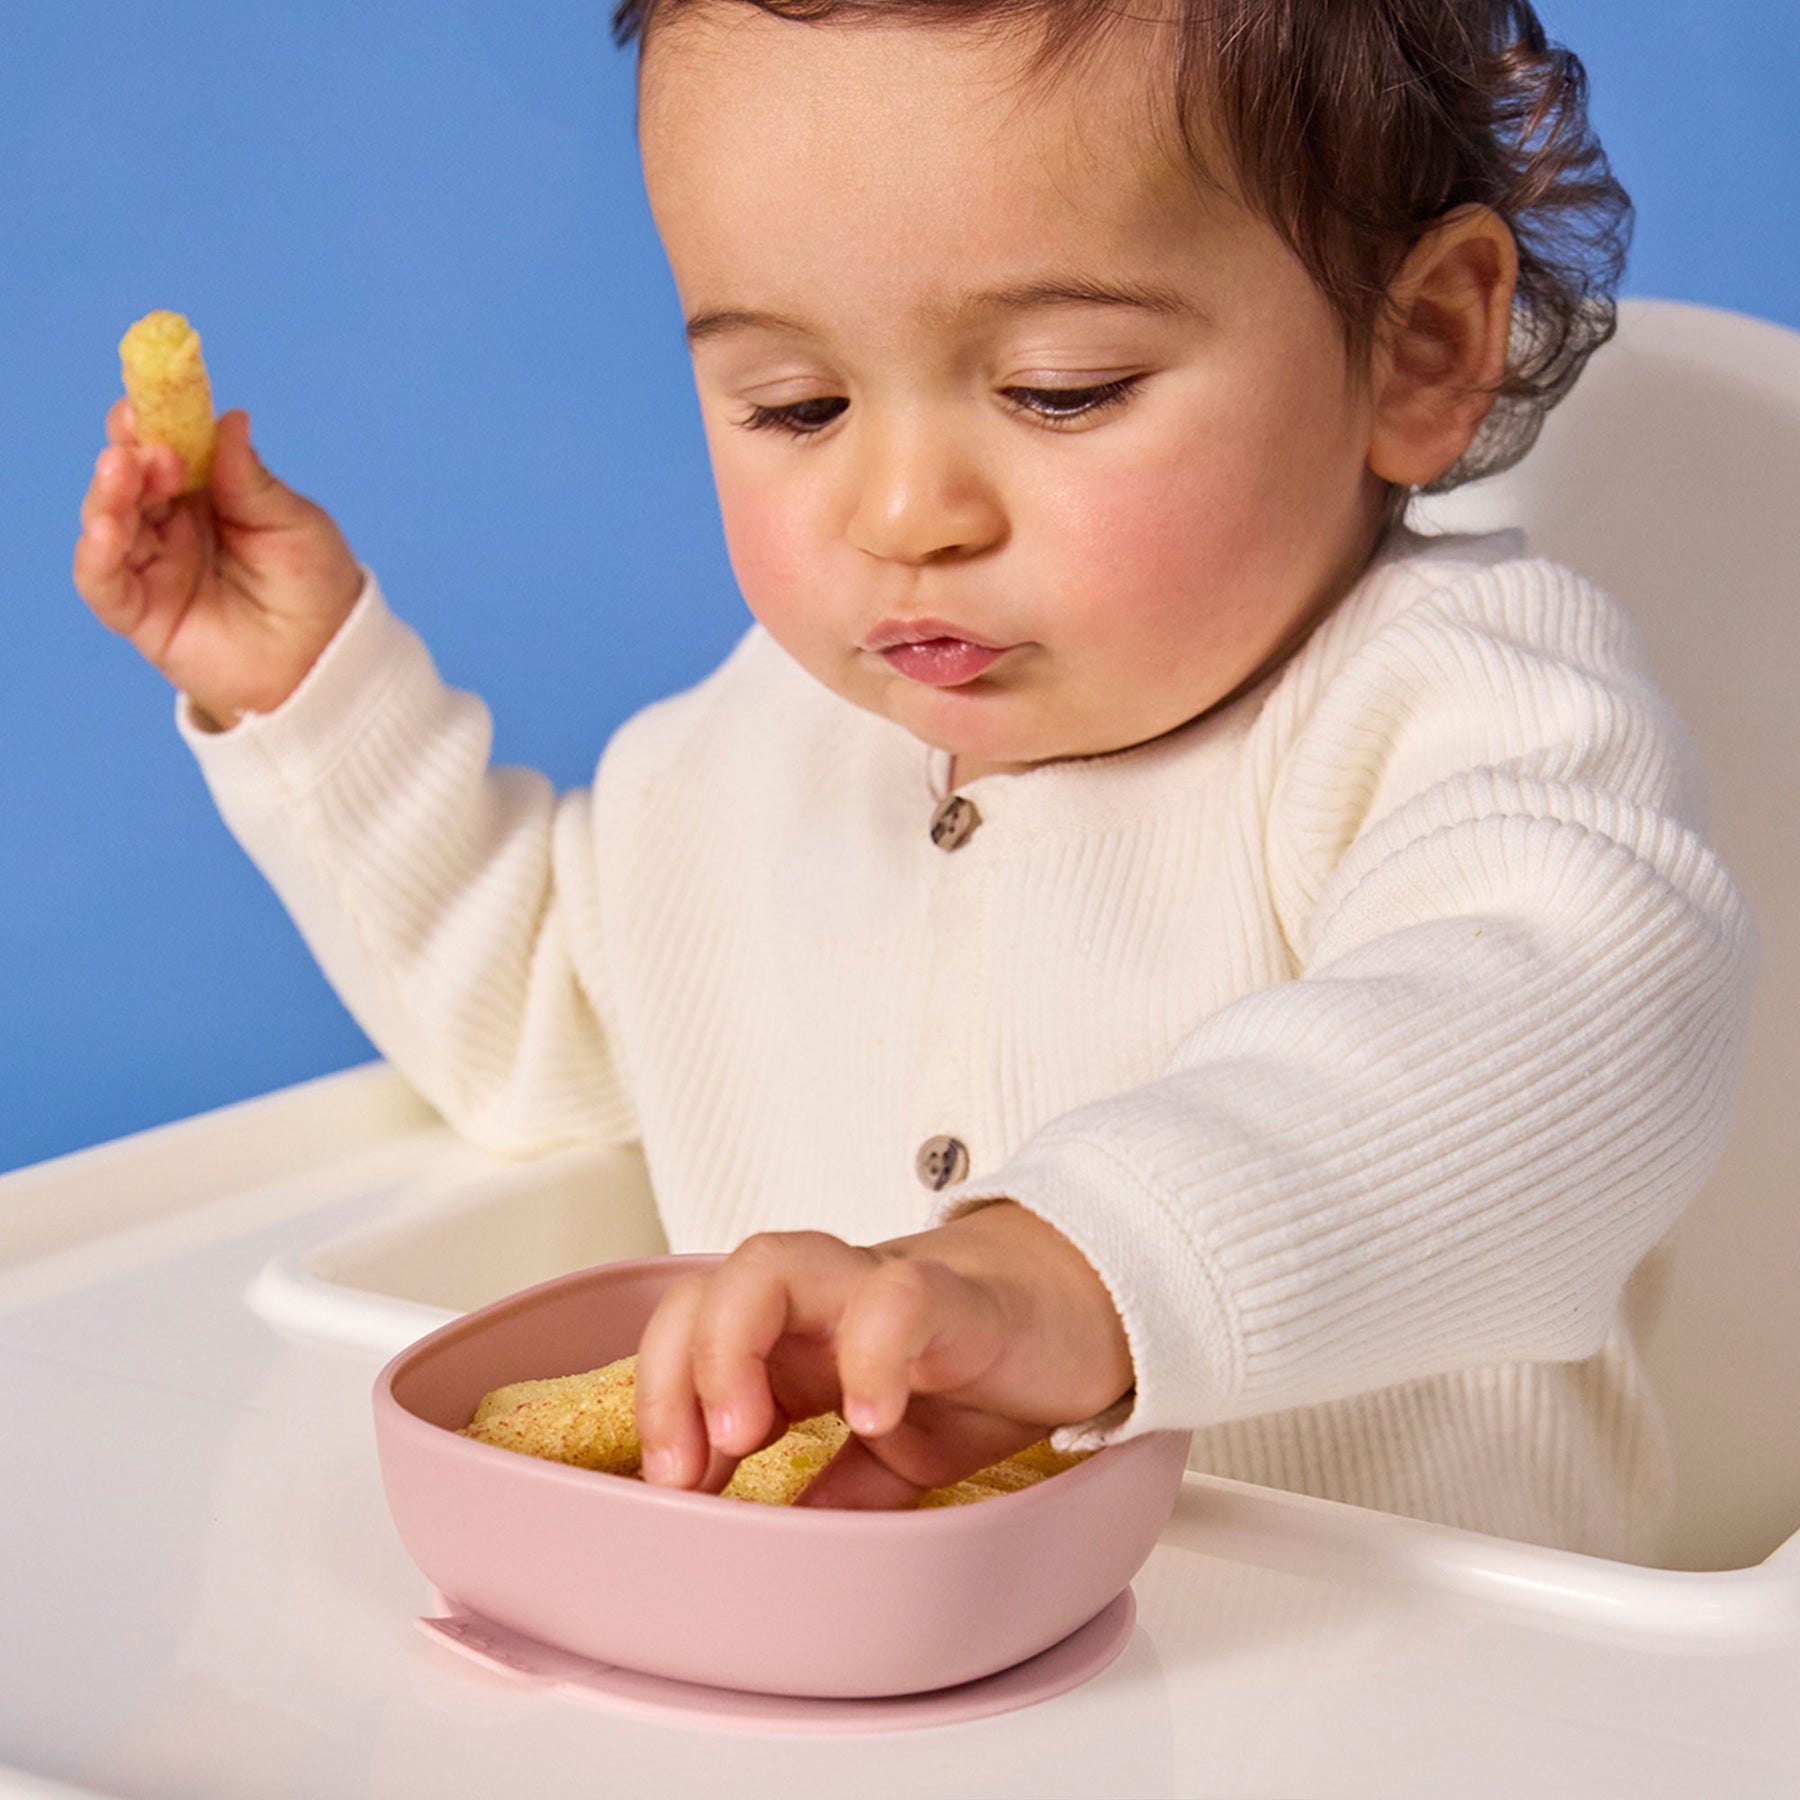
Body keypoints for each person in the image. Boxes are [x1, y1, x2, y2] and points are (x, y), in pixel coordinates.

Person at [72, 0, 1754, 1558]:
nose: (903, 513)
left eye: (1059, 391)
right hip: (853, 1679)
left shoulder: (1453, 701)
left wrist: (1069, 1271)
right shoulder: (755, 743)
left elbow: (1566, 1027)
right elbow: (544, 1039)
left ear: (1420, 347)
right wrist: (303, 692)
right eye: (796, 406)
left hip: (1393, 1696)